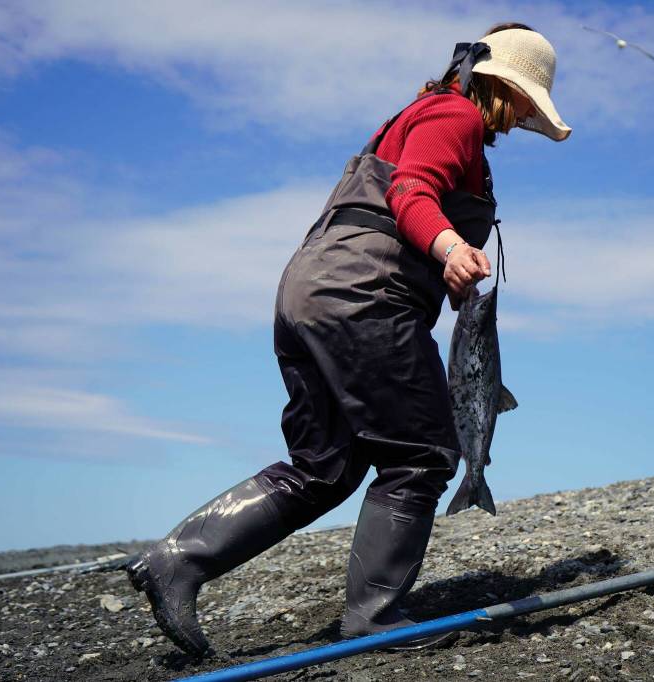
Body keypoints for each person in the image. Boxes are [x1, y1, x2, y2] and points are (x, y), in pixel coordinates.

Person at [126, 22, 571, 659]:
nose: (525, 117)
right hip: (365, 298)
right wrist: (448, 245)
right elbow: (411, 190)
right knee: (421, 454)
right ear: (510, 88)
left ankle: (176, 561)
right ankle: (376, 619)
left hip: (309, 292)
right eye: (529, 101)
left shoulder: (417, 113)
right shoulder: (456, 117)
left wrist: (447, 269)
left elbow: (389, 210)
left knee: (325, 464)